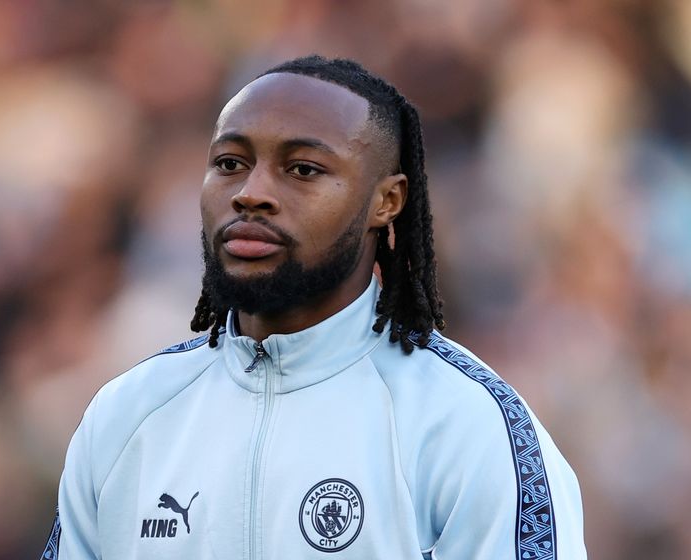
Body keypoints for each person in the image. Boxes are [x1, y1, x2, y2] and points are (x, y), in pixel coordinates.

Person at [41, 55, 587, 559]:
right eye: (230, 163)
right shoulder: (126, 416)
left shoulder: (466, 426)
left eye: (302, 169)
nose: (251, 192)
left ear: (386, 201)